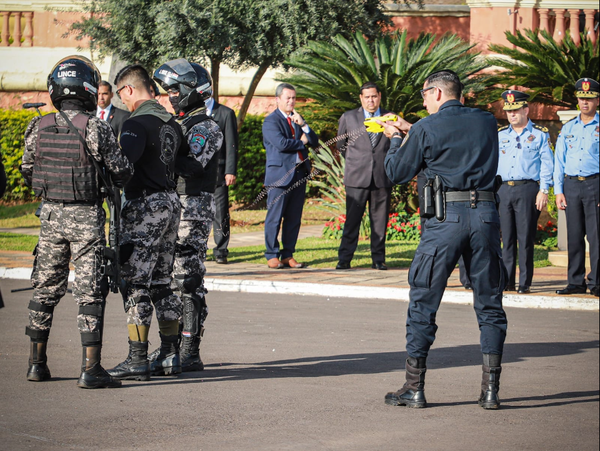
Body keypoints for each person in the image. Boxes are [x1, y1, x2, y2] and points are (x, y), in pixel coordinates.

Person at [380, 70, 508, 409]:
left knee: (424, 300)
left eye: (424, 95)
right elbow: (455, 141)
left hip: (444, 220)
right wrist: (415, 130)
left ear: (436, 93)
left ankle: (414, 387)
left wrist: (396, 137)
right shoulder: (486, 122)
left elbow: (395, 172)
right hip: (484, 216)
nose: (423, 101)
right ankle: (491, 391)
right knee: (490, 303)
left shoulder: (425, 127)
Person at [20, 55, 133, 389]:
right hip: (85, 215)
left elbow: (28, 171)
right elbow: (122, 170)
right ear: (86, 88)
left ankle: (36, 364)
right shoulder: (95, 127)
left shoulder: (37, 126)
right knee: (89, 290)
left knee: (44, 286)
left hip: (50, 215)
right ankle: (91, 368)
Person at [107, 64, 187, 381]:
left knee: (136, 282)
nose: (122, 102)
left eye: (121, 95)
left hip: (144, 207)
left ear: (129, 90)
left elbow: (122, 167)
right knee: (162, 283)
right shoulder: (172, 124)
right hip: (170, 202)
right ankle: (170, 355)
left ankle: (137, 358)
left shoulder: (134, 123)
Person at [153, 58, 223, 372]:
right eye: (167, 90)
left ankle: (189, 350)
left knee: (188, 279)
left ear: (192, 89)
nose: (170, 94)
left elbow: (194, 163)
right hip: (174, 206)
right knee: (169, 279)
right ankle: (172, 347)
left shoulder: (205, 126)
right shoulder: (180, 123)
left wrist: (164, 153)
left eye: (175, 88)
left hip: (193, 207)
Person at [497, 90, 554, 294]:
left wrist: (544, 190)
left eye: (516, 110)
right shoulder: (500, 135)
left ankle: (525, 282)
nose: (512, 115)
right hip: (504, 190)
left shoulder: (539, 133)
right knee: (507, 238)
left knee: (526, 238)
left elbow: (547, 164)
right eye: (508, 111)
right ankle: (507, 281)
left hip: (528, 189)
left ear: (526, 109)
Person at [336, 82, 393, 271]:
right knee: (352, 220)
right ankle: (344, 258)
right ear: (361, 98)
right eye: (367, 97)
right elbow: (340, 146)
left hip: (381, 177)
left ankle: (378, 259)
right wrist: (357, 161)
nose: (371, 100)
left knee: (379, 221)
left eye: (374, 96)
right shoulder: (349, 117)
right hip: (356, 177)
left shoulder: (390, 117)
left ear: (379, 96)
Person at [262, 83, 318, 269]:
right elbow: (281, 144)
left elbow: (314, 140)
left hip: (299, 173)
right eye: (288, 98)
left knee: (294, 218)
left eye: (294, 98)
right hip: (279, 175)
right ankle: (272, 254)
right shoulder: (271, 121)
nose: (291, 101)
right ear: (278, 99)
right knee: (275, 217)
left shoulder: (297, 119)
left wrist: (304, 126)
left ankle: (288, 254)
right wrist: (301, 142)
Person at [554, 78, 599, 297]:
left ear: (597, 100)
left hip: (595, 184)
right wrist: (558, 190)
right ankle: (575, 281)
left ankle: (597, 280)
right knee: (574, 235)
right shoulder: (568, 127)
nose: (585, 103)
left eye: (589, 99)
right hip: (571, 185)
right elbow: (558, 161)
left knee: (596, 236)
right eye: (582, 99)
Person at [206, 94, 239, 265]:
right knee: (199, 213)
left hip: (218, 171)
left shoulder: (225, 113)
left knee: (220, 213)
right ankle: (199, 247)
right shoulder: (192, 112)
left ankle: (220, 250)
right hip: (197, 173)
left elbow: (232, 143)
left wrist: (230, 170)